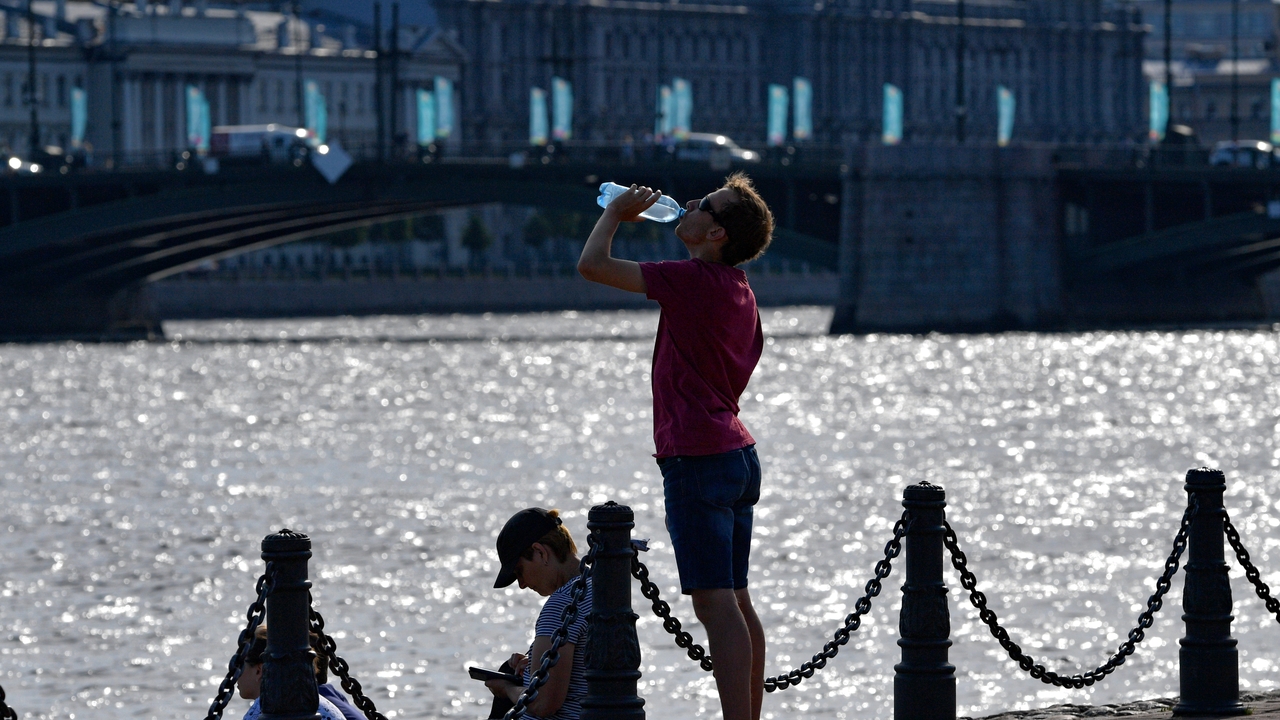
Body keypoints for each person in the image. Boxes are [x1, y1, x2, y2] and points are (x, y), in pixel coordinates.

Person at [576, 173, 774, 720]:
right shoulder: (739, 291)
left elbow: (592, 267)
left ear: (716, 234)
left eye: (705, 203)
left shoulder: (695, 280)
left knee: (714, 604)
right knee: (735, 599)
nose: (689, 202)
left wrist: (614, 215)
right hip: (735, 453)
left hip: (698, 456)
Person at [484, 507, 592, 720]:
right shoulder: (601, 589)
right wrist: (532, 666)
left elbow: (542, 704)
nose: (522, 585)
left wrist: (506, 688)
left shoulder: (563, 604)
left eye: (519, 571)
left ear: (540, 552)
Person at [235, 625, 348, 720]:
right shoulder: (317, 702)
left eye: (240, 664)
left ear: (259, 670)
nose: (235, 674)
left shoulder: (263, 711)